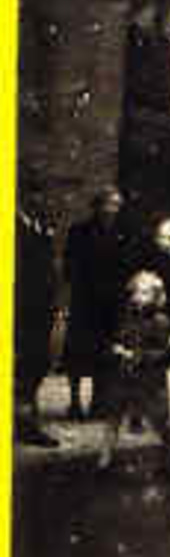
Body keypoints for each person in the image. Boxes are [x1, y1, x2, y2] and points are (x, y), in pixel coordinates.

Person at [98, 272, 170, 471]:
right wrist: (116, 348)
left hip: (149, 379)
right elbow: (117, 338)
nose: (139, 297)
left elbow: (163, 352)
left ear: (155, 296)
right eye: (137, 292)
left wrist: (136, 355)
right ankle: (105, 457)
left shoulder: (160, 321)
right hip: (123, 376)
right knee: (113, 416)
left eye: (145, 293)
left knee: (158, 420)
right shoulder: (126, 317)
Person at [63, 186, 130, 420]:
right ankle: (74, 401)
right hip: (85, 301)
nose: (113, 209)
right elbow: (70, 265)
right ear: (98, 205)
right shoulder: (79, 231)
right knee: (77, 353)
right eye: (109, 204)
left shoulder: (122, 233)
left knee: (105, 353)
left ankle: (98, 402)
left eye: (117, 205)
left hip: (110, 304)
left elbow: (126, 267)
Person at [15, 179, 60, 447]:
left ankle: (27, 423)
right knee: (21, 367)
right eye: (36, 196)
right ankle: (24, 424)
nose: (41, 201)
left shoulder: (40, 226)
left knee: (36, 365)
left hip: (41, 309)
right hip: (20, 308)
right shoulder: (14, 226)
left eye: (42, 196)